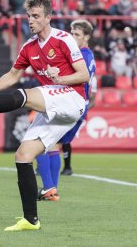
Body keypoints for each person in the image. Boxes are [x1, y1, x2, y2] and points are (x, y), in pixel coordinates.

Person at [0, 0, 89, 231]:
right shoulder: (29, 47)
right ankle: (31, 220)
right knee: (23, 155)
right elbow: (13, 75)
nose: (31, 21)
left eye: (36, 16)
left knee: (25, 95)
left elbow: (84, 75)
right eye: (29, 16)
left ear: (48, 17)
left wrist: (60, 78)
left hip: (72, 98)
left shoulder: (63, 39)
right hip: (51, 103)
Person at [35, 20, 96, 199]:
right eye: (71, 32)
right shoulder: (89, 55)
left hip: (68, 103)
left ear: (86, 37)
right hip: (78, 105)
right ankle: (52, 190)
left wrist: (55, 75)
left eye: (77, 34)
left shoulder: (81, 55)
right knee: (54, 145)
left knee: (38, 142)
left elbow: (78, 78)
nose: (72, 36)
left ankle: (48, 188)